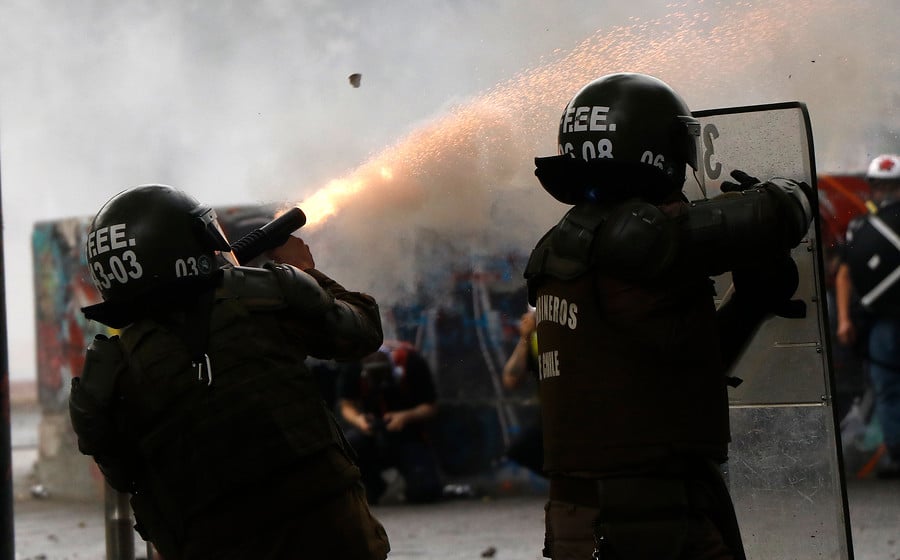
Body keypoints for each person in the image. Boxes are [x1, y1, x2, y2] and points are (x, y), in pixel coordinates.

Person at [524, 73, 813, 559]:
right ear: (657, 149)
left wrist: (750, 301)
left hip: (592, 510)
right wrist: (784, 194)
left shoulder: (569, 242)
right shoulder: (635, 237)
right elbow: (781, 210)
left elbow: (679, 360)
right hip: (650, 510)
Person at [68, 184, 390, 560]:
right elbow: (362, 332)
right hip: (331, 538)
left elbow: (123, 475)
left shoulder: (111, 370)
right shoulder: (266, 297)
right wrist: (305, 273)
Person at [835, 154, 900, 478]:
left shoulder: (861, 227)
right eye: (882, 185)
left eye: (891, 185)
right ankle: (896, 450)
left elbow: (845, 274)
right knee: (886, 386)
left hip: (883, 324)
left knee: (887, 386)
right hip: (882, 324)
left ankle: (896, 452)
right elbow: (845, 274)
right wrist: (845, 319)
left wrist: (846, 319)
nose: (886, 191)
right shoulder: (860, 226)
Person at [338, 341, 443, 504]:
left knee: (425, 491)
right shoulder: (353, 365)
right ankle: (372, 485)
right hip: (370, 435)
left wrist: (405, 417)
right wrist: (360, 421)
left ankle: (417, 481)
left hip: (408, 435)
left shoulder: (411, 362)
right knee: (351, 443)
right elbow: (346, 405)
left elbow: (431, 406)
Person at [500, 308, 545, 476]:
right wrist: (525, 337)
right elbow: (511, 379)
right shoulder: (535, 339)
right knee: (522, 449)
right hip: (547, 416)